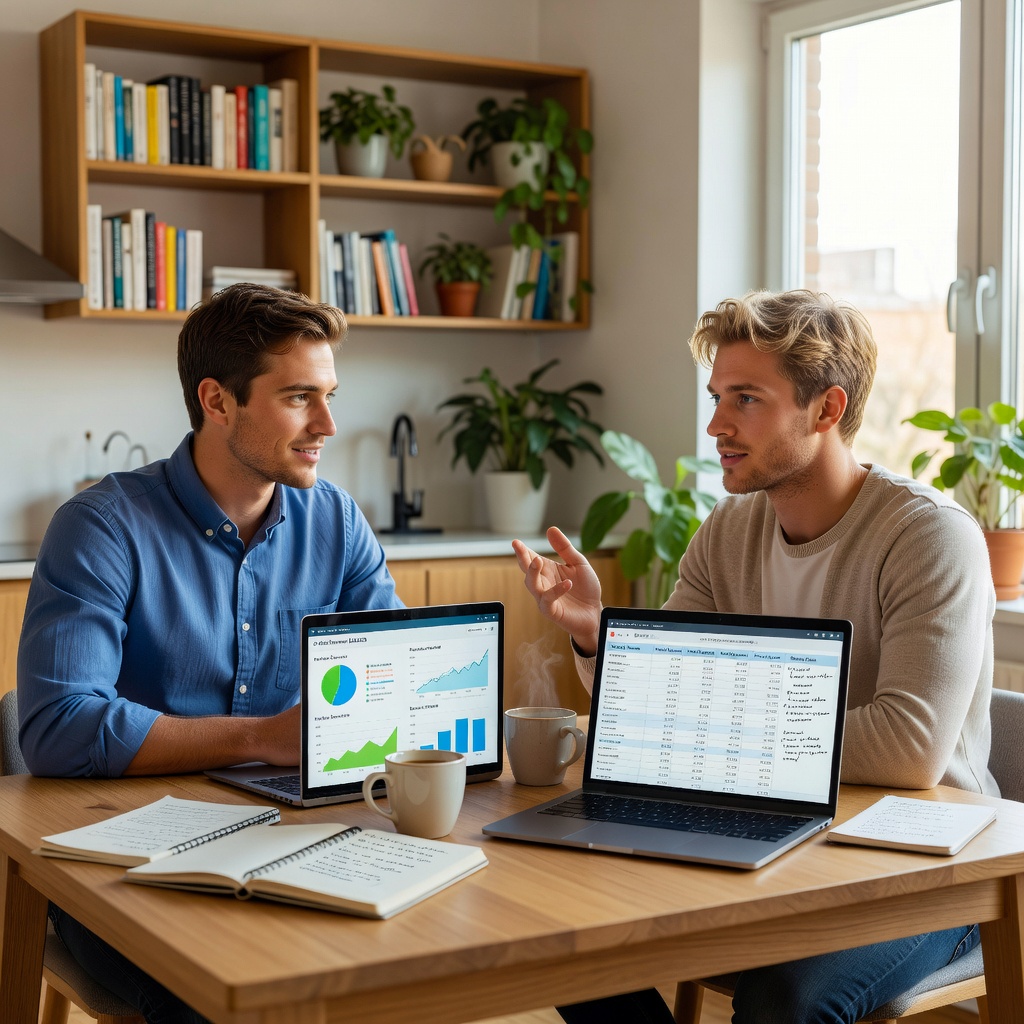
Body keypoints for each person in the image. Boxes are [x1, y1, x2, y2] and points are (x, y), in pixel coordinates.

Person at [513, 289, 997, 1024]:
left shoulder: (929, 538)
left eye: (746, 399)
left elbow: (908, 749)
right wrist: (593, 632)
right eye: (717, 397)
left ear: (827, 409)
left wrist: (711, 734)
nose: (715, 426)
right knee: (566, 932)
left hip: (923, 867)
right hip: (776, 833)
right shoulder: (730, 528)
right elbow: (658, 701)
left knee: (784, 1002)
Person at [17, 282, 402, 1024]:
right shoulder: (102, 527)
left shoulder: (338, 519)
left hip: (299, 845)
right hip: (128, 871)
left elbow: (392, 673)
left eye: (328, 394)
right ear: (217, 401)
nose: (327, 423)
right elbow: (58, 728)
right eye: (298, 398)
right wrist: (262, 738)